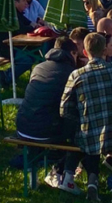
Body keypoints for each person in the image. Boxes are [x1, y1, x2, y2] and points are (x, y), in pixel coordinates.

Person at [60, 32, 112, 203]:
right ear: (104, 50)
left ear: (85, 52)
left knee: (90, 134)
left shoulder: (77, 75)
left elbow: (64, 109)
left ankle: (93, 181)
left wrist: (80, 116)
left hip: (90, 135)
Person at [16, 38, 81, 194]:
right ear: (72, 53)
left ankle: (33, 175)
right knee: (81, 130)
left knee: (41, 116)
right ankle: (66, 175)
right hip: (46, 130)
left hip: (23, 125)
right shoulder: (71, 73)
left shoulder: (38, 67)